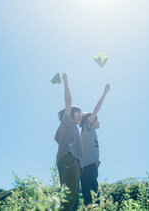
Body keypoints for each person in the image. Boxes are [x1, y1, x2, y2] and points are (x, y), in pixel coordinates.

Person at [54, 73, 83, 211]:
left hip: (74, 162)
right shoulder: (67, 122)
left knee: (75, 201)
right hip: (69, 159)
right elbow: (68, 102)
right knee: (69, 200)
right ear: (71, 113)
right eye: (79, 112)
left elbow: (57, 138)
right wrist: (66, 81)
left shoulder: (74, 129)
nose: (81, 114)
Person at [79, 83, 110, 206]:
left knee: (90, 200)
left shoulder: (89, 132)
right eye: (97, 119)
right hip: (88, 167)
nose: (99, 121)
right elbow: (95, 110)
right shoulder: (87, 127)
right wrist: (104, 93)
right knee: (94, 199)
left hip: (89, 167)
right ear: (91, 120)